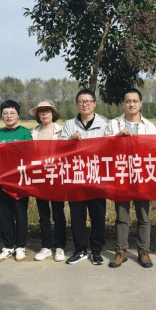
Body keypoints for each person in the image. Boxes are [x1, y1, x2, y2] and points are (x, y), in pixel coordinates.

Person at [104, 88, 156, 268]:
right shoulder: (113, 124)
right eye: (128, 101)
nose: (131, 104)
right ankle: (121, 251)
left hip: (142, 175)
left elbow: (155, 151)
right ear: (123, 104)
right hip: (121, 175)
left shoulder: (149, 126)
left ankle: (144, 251)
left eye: (135, 101)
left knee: (143, 216)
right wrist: (117, 138)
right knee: (121, 215)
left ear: (140, 103)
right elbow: (104, 147)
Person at [60, 89, 108, 265]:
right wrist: (70, 139)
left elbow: (111, 147)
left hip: (97, 177)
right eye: (81, 102)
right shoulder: (69, 125)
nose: (85, 104)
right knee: (77, 216)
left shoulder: (104, 123)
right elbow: (60, 148)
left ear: (94, 104)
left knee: (98, 216)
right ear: (77, 105)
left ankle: (96, 251)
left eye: (88, 101)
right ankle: (80, 249)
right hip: (76, 177)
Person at [0, 100, 33, 262]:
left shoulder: (24, 133)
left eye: (12, 113)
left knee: (20, 213)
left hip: (19, 181)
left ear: (18, 115)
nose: (9, 116)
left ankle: (20, 246)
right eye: (5, 113)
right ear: (2, 116)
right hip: (1, 181)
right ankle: (8, 246)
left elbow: (30, 155)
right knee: (4, 214)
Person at [29, 100, 66, 263]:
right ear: (38, 115)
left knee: (58, 213)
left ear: (53, 113)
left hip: (57, 176)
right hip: (40, 177)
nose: (44, 114)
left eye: (47, 111)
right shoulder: (33, 133)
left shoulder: (62, 130)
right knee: (43, 214)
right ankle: (46, 246)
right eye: (41, 111)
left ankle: (59, 246)